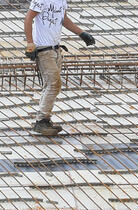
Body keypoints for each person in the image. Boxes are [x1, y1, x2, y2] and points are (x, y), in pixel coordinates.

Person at [24, 0, 96, 136]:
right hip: (44, 50)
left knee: (51, 86)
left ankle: (44, 120)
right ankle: (41, 121)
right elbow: (28, 18)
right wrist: (30, 43)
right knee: (54, 84)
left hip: (55, 49)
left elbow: (63, 19)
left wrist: (81, 33)